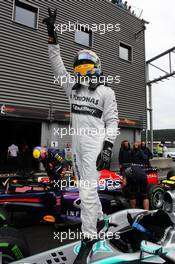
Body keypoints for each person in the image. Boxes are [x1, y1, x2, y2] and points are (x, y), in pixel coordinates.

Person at [43, 8, 119, 264]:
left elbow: (113, 121)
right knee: (86, 189)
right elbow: (57, 64)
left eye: (86, 65)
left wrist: (108, 146)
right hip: (76, 147)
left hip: (95, 146)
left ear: (96, 67)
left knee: (86, 191)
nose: (81, 69)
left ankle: (89, 238)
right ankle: (99, 219)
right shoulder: (72, 89)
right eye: (79, 66)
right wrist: (52, 35)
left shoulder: (106, 92)